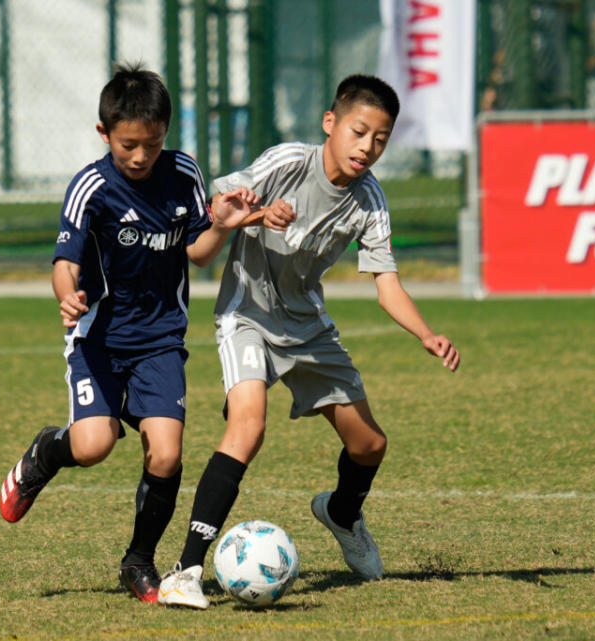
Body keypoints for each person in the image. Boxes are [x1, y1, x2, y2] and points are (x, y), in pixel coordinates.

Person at [157, 75, 460, 609]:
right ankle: (185, 570)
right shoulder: (288, 163)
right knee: (247, 427)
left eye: (381, 139)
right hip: (245, 314)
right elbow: (219, 207)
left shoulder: (369, 202)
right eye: (359, 131)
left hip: (307, 325)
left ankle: (342, 514)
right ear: (331, 123)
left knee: (370, 445)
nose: (368, 147)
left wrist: (427, 334)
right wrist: (255, 211)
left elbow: (387, 285)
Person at [0, 63, 260, 603]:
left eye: (152, 142)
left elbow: (197, 254)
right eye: (128, 145)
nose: (140, 156)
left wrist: (224, 227)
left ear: (166, 132)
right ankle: (47, 452)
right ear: (104, 135)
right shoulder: (91, 187)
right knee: (93, 445)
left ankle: (139, 560)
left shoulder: (184, 173)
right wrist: (66, 294)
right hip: (98, 338)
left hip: (161, 339)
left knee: (165, 456)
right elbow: (64, 261)